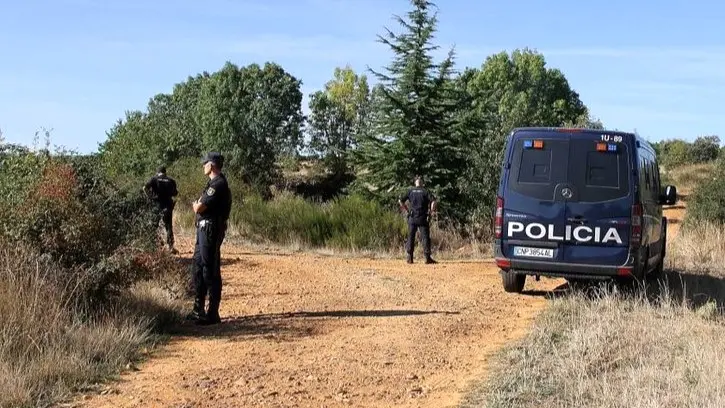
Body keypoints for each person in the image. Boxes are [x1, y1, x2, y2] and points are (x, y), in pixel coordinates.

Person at [187, 152, 232, 325]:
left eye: (204, 163)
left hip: (210, 230)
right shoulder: (212, 183)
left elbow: (200, 207)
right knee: (198, 267)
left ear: (211, 165)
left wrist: (196, 206)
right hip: (203, 229)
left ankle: (212, 313)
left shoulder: (218, 184)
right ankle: (198, 310)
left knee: (210, 268)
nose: (203, 166)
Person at [398, 175, 437, 264]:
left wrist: (406, 210)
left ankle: (410, 257)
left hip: (412, 217)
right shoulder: (425, 191)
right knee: (425, 237)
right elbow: (434, 201)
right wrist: (431, 212)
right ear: (422, 183)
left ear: (415, 183)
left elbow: (400, 201)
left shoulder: (410, 191)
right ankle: (427, 258)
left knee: (411, 237)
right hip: (423, 217)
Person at [143, 166, 179, 254]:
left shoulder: (154, 179)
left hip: (156, 206)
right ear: (165, 172)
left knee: (153, 226)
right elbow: (175, 193)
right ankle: (170, 247)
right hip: (167, 207)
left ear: (157, 172)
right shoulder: (171, 180)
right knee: (168, 227)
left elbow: (144, 188)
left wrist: (151, 197)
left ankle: (154, 246)